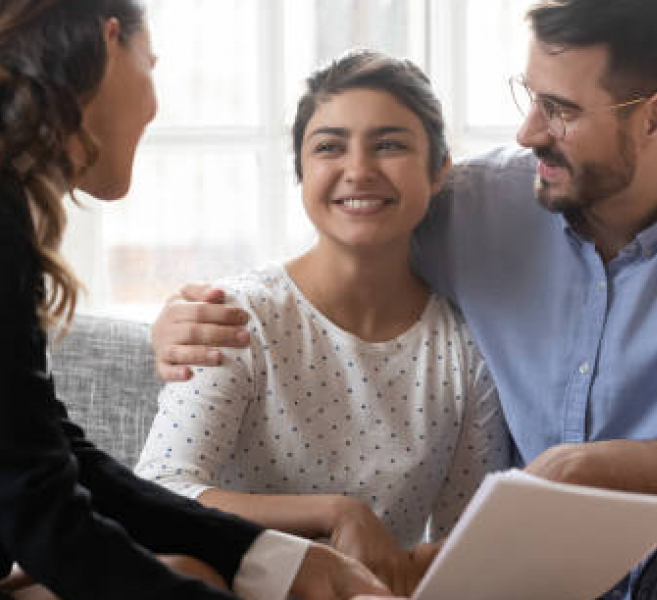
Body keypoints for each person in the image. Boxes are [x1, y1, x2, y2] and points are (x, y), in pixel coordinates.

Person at [150, 0, 657, 598]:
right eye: (530, 95)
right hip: (527, 585)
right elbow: (348, 233)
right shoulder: (473, 208)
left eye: (560, 110)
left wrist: (585, 468)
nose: (528, 132)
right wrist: (186, 314)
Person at [0, 1, 391, 599]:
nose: (153, 103)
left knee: (185, 568)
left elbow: (65, 464)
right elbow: (49, 524)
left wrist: (276, 559)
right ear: (108, 43)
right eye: (151, 67)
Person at [134, 49, 511, 597]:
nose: (358, 169)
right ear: (302, 172)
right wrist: (335, 514)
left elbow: (460, 545)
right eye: (330, 147)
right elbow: (158, 490)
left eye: (390, 145)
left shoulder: (464, 351)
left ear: (439, 173)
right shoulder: (240, 317)